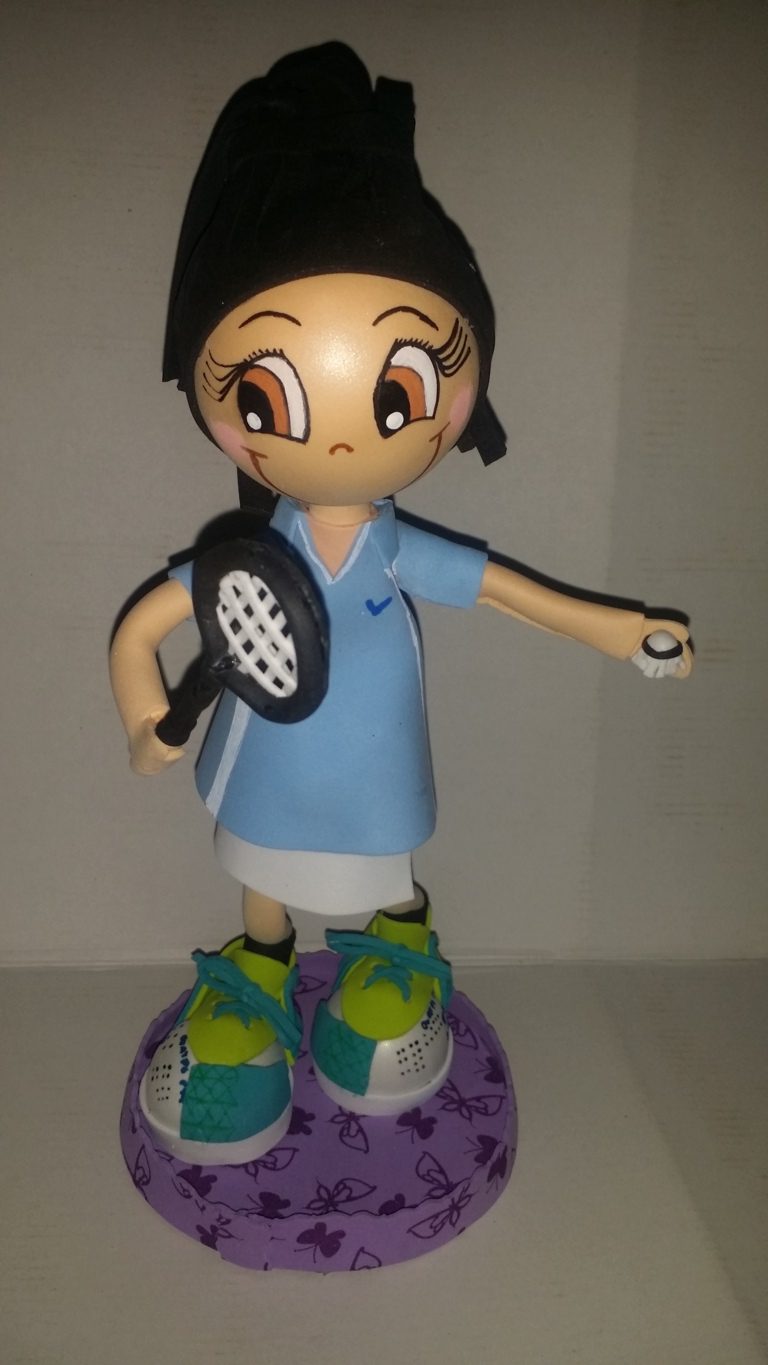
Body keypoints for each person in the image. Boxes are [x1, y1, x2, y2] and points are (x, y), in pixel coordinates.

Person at [110, 45, 691, 1166]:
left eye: (397, 390)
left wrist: (620, 630)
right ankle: (260, 967)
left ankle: (396, 946)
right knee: (262, 873)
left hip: (370, 773)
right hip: (266, 761)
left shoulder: (393, 550)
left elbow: (506, 591)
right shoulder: (246, 560)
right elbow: (146, 628)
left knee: (378, 865)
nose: (338, 442)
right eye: (271, 393)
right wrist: (146, 719)